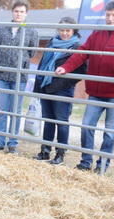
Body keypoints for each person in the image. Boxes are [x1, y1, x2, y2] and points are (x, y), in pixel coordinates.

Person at [55, 0, 114, 173]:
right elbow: (83, 53)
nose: (110, 19)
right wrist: (66, 67)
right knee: (87, 125)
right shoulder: (98, 33)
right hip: (96, 91)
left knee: (110, 131)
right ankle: (86, 161)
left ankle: (102, 165)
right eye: (108, 15)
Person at [33, 17, 85, 165]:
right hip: (46, 86)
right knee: (48, 120)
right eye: (62, 30)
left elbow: (80, 71)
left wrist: (61, 84)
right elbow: (43, 64)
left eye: (68, 30)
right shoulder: (52, 43)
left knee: (61, 121)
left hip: (63, 89)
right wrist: (38, 85)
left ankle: (60, 154)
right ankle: (45, 151)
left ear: (74, 31)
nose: (64, 33)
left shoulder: (76, 47)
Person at [0, 0, 38, 154]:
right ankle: (0, 142)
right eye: (16, 11)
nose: (19, 14)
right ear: (12, 12)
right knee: (2, 109)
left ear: (26, 14)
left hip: (20, 76)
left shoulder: (31, 31)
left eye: (22, 12)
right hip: (3, 75)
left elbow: (32, 52)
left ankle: (12, 143)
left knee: (15, 110)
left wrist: (21, 61)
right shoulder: (3, 29)